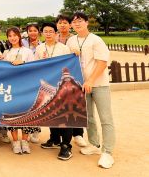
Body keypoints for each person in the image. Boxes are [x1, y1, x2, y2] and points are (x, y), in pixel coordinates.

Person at [66, 12, 115, 169]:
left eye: (80, 21)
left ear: (87, 23)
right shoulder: (71, 40)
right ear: (71, 25)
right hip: (81, 85)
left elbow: (102, 62)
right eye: (74, 22)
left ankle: (107, 152)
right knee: (89, 117)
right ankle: (94, 144)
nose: (77, 24)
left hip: (99, 84)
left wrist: (91, 80)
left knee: (105, 118)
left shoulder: (96, 40)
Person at [35, 22, 74, 160]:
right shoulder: (39, 48)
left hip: (62, 86)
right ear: (42, 33)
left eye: (51, 31)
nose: (48, 33)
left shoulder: (64, 48)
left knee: (64, 115)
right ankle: (55, 139)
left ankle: (66, 146)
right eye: (46, 31)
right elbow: (36, 66)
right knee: (51, 114)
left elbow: (71, 65)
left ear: (56, 33)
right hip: (47, 86)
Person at [2, 27, 36, 154]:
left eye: (14, 35)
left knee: (27, 114)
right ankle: (15, 141)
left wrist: (23, 62)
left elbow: (34, 67)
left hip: (26, 87)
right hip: (11, 88)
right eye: (10, 35)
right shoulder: (6, 53)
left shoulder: (27, 51)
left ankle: (25, 141)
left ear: (19, 36)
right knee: (12, 115)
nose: (12, 37)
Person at [56, 14, 88, 147]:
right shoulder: (54, 37)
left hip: (74, 74)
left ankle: (78, 133)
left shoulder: (74, 39)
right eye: (60, 23)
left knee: (75, 102)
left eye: (65, 23)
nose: (62, 25)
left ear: (70, 25)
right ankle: (57, 135)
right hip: (58, 75)